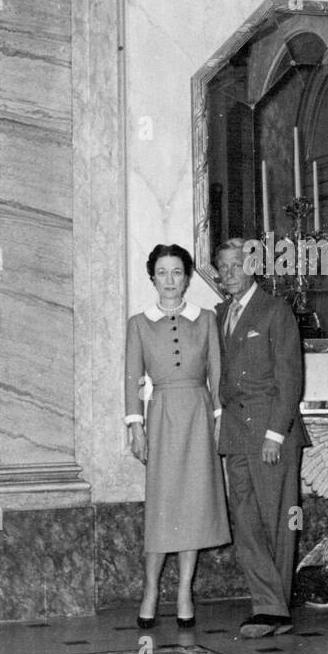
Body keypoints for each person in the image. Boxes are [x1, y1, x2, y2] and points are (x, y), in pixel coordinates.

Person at [124, 244, 230, 629]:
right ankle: (150, 589)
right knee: (163, 506)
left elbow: (216, 374)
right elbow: (133, 378)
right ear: (152, 277)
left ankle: (185, 589)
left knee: (194, 505)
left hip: (199, 415)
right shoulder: (138, 323)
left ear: (187, 278)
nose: (170, 281)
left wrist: (220, 418)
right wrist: (135, 425)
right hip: (162, 416)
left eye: (177, 273)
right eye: (162, 273)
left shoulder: (205, 320)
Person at [214, 238, 310, 638]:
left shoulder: (275, 310)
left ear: (251, 266)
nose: (230, 273)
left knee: (277, 521)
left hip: (272, 434)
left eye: (237, 265)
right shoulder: (220, 313)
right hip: (235, 435)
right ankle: (267, 605)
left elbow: (289, 379)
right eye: (224, 267)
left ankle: (274, 609)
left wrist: (274, 434)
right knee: (246, 520)